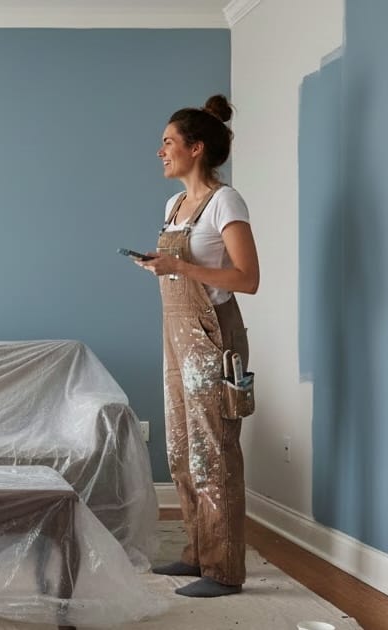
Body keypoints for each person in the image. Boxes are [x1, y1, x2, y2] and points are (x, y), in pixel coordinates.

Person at [135, 94, 260, 598]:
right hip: (176, 336)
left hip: (213, 337)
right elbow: (180, 268)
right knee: (183, 451)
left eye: (168, 142)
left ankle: (225, 570)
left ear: (196, 147)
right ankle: (197, 554)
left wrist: (181, 267)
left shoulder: (225, 201)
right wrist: (158, 264)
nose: (160, 151)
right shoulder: (173, 206)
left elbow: (247, 278)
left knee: (215, 450)